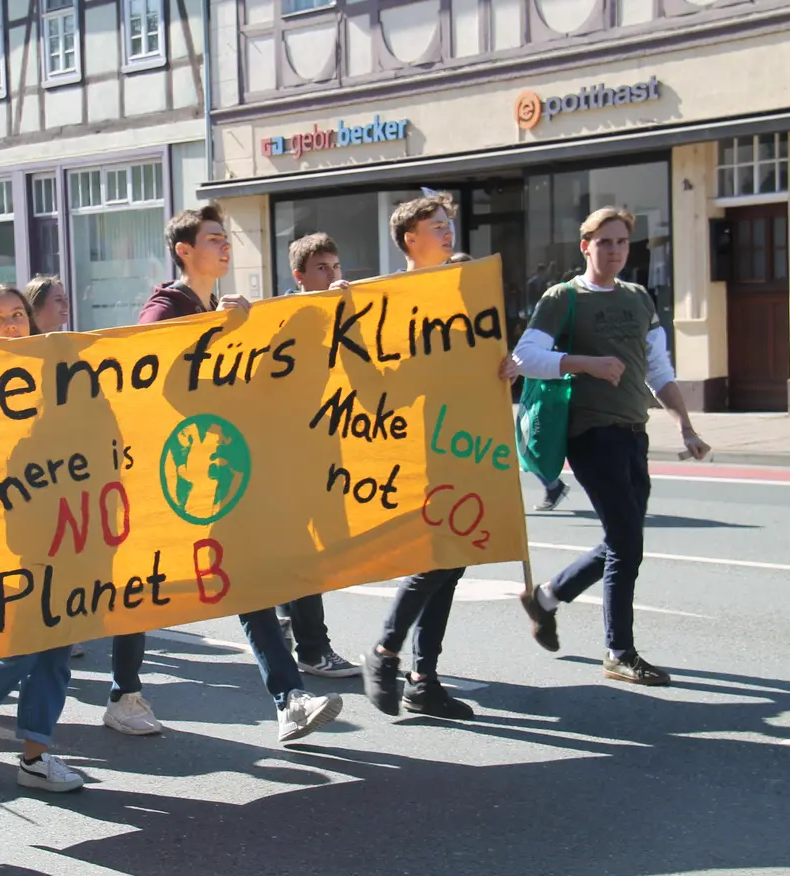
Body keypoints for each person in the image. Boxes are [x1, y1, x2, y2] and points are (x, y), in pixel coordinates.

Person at [110, 204, 343, 743]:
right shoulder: (168, 304)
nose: (224, 245)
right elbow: (146, 362)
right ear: (184, 250)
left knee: (247, 575)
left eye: (225, 238)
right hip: (167, 466)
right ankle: (123, 693)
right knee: (146, 579)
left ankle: (288, 699)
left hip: (214, 464)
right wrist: (218, 330)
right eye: (213, 238)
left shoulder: (220, 305)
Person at [512, 206, 711, 686]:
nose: (615, 251)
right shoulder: (564, 297)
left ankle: (548, 597)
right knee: (626, 541)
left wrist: (685, 424)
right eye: (605, 242)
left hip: (632, 431)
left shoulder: (640, 298)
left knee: (623, 538)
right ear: (586, 247)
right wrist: (584, 363)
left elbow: (658, 369)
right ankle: (619, 651)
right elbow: (523, 356)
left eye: (622, 242)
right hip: (589, 432)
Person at [359, 197, 518, 719]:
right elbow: (389, 381)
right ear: (410, 238)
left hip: (471, 439)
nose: (448, 233)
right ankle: (385, 653)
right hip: (429, 442)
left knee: (455, 560)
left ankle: (423, 679)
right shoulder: (391, 297)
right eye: (436, 226)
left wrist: (505, 365)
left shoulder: (461, 290)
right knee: (439, 556)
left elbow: (479, 357)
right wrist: (348, 317)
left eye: (449, 225)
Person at [0, 284, 84, 792]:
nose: (9, 325)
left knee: (60, 639)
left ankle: (35, 755)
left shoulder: (56, 367)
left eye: (17, 314)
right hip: (10, 523)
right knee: (26, 636)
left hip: (68, 518)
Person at [258, 233, 362, 679]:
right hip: (285, 445)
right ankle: (314, 648)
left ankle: (285, 617)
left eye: (336, 267)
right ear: (299, 276)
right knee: (308, 551)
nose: (333, 275)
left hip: (321, 440)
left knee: (318, 544)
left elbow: (364, 366)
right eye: (322, 268)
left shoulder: (337, 314)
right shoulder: (285, 318)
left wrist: (349, 313)